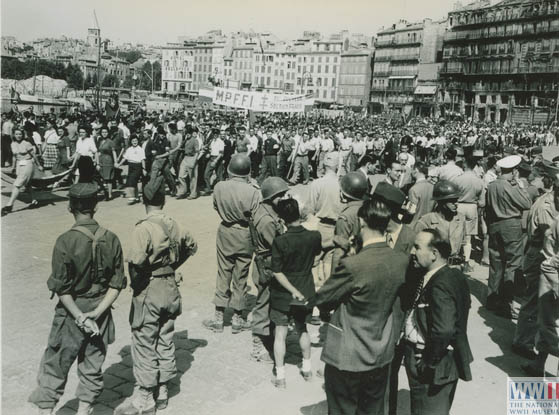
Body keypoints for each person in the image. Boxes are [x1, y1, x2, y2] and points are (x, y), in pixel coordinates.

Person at [28, 183, 126, 415]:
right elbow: (117, 284)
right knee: (93, 364)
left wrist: (80, 316)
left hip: (72, 313)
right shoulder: (112, 239)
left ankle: (46, 410)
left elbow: (62, 289)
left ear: (70, 207)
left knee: (57, 363)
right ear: (96, 207)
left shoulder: (65, 241)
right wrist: (97, 312)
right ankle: (84, 410)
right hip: (100, 311)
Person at [308, 198, 409, 415]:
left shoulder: (353, 265)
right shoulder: (400, 260)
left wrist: (348, 255)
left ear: (362, 223)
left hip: (348, 355)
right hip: (380, 353)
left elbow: (324, 299)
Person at [117, 174, 197, 415]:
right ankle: (163, 389)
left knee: (144, 339)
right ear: (163, 200)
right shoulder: (176, 224)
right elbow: (192, 247)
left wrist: (137, 282)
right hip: (170, 287)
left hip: (149, 288)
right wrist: (172, 268)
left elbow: (137, 261)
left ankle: (145, 397)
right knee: (165, 336)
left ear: (144, 200)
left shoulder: (143, 228)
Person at [404, 229, 473, 415]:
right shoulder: (454, 276)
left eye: (417, 247)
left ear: (434, 254)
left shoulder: (439, 284)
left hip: (432, 363)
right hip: (446, 363)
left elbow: (444, 329)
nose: (412, 252)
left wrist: (427, 360)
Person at [203, 154, 261, 333]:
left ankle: (219, 317)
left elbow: (215, 206)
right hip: (245, 232)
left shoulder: (219, 186)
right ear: (248, 172)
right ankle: (237, 318)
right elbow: (257, 214)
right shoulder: (253, 191)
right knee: (241, 274)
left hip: (225, 230)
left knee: (223, 271)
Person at [270, 198, 322, 388]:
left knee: (280, 334)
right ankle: (307, 370)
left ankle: (281, 377)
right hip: (306, 288)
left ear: (282, 219)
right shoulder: (314, 236)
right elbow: (317, 256)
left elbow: (277, 272)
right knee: (303, 330)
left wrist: (292, 290)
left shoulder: (280, 241)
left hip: (284, 295)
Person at [247, 177, 289, 363]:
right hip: (268, 264)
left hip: (268, 262)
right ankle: (258, 345)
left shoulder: (268, 211)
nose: (286, 197)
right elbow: (277, 244)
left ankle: (268, 337)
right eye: (282, 195)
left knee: (270, 301)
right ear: (272, 197)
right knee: (263, 304)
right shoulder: (266, 220)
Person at [486, 155, 532, 319]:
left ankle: (492, 299)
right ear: (514, 171)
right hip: (510, 224)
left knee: (496, 263)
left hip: (495, 224)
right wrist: (520, 186)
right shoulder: (509, 186)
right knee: (512, 264)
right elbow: (527, 204)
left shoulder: (492, 185)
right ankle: (506, 303)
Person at [415, 180, 467, 264]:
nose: (456, 204)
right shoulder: (425, 221)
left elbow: (462, 245)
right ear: (441, 201)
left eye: (457, 200)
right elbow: (416, 249)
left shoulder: (460, 218)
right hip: (434, 267)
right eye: (452, 201)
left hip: (456, 267)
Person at [453, 157, 486, 272]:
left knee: (456, 234)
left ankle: (456, 259)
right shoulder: (479, 180)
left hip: (459, 206)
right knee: (468, 238)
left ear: (465, 165)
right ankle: (466, 262)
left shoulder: (457, 180)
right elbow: (482, 202)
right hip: (472, 207)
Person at [331, 172, 369, 271]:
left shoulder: (345, 216)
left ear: (343, 194)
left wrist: (333, 278)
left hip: (350, 265)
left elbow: (339, 252)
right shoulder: (368, 208)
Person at [2, 127, 42, 215]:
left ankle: (9, 205)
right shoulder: (12, 144)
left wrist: (39, 165)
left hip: (28, 164)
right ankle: (34, 201)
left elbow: (34, 156)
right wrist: (13, 167)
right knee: (27, 184)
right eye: (16, 134)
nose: (18, 136)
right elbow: (14, 156)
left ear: (23, 135)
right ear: (13, 135)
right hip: (19, 165)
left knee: (17, 185)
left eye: (20, 134)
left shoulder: (26, 144)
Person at [118, 135, 146, 205]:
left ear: (138, 141)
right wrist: (119, 164)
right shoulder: (129, 149)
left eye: (136, 141)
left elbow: (143, 160)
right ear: (131, 141)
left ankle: (132, 197)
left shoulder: (140, 149)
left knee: (131, 181)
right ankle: (136, 197)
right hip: (130, 166)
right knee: (134, 182)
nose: (134, 142)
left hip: (138, 166)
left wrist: (144, 169)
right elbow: (124, 158)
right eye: (133, 141)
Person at [176, 130, 203, 200]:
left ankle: (193, 193)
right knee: (181, 175)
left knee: (193, 177)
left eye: (189, 133)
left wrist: (194, 161)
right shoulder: (185, 140)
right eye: (186, 133)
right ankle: (183, 191)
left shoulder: (195, 140)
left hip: (192, 158)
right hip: (185, 158)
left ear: (191, 133)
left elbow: (197, 152)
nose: (187, 134)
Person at [97, 126, 118, 200]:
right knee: (102, 177)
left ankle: (109, 194)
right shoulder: (100, 141)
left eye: (105, 132)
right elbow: (99, 152)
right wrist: (96, 161)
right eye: (103, 132)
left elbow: (114, 152)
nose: (104, 134)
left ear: (108, 133)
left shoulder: (110, 142)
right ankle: (104, 192)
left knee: (108, 178)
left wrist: (115, 162)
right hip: (100, 160)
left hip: (108, 160)